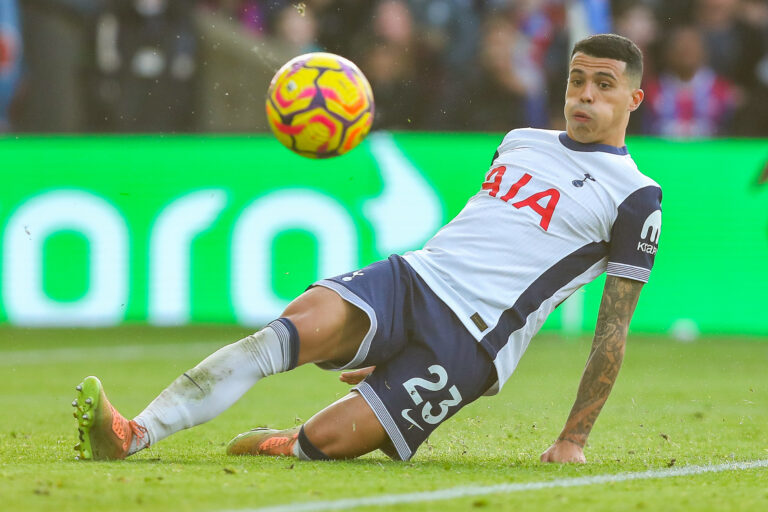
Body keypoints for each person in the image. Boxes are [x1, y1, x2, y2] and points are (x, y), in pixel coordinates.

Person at [72, 33, 661, 464]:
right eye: (576, 81)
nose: (585, 95)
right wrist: (393, 333)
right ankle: (133, 433)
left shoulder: (636, 197)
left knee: (323, 445)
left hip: (472, 343)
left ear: (633, 100)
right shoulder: (519, 140)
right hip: (413, 279)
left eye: (604, 85)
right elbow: (485, 231)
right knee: (281, 334)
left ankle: (291, 441)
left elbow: (613, 329)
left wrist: (573, 439)